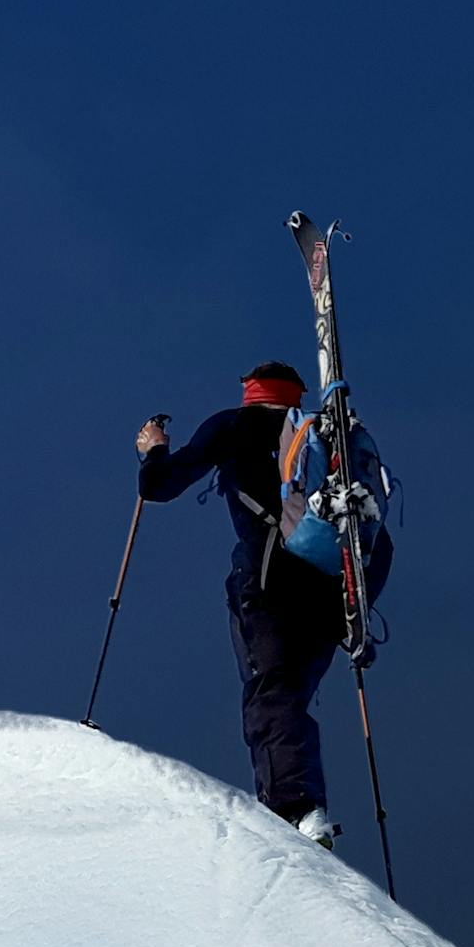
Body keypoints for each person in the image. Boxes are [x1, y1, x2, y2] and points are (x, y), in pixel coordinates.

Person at [137, 361, 351, 847]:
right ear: (296, 395)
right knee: (289, 695)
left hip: (268, 578)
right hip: (329, 592)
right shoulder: (319, 437)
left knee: (270, 691)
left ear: (250, 391)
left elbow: (158, 487)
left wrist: (153, 451)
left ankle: (293, 811)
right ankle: (302, 803)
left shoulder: (234, 424)